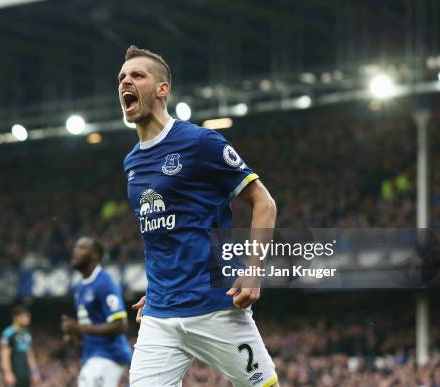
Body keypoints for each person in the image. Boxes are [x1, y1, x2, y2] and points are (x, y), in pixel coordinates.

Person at [119, 45, 279, 387]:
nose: (125, 81)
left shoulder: (200, 143)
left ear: (162, 89)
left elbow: (264, 202)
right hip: (160, 315)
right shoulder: (132, 162)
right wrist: (157, 285)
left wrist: (253, 272)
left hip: (215, 305)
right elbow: (159, 236)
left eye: (137, 75)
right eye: (122, 77)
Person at [61, 236, 132, 387]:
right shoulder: (80, 288)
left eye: (82, 247)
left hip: (109, 355)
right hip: (93, 355)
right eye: (75, 247)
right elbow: (92, 326)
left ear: (95, 255)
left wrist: (80, 328)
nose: (75, 251)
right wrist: (76, 337)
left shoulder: (105, 282)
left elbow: (120, 325)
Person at [0, 306, 41, 387]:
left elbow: (30, 353)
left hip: (26, 373)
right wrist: (8, 373)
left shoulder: (27, 333)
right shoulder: (8, 333)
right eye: (26, 316)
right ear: (17, 317)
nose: (28, 319)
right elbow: (4, 354)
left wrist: (35, 372)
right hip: (14, 372)